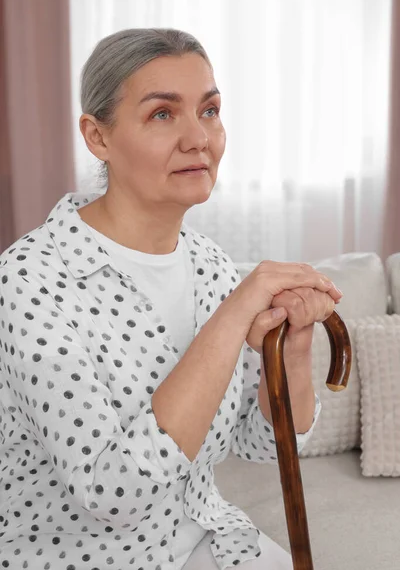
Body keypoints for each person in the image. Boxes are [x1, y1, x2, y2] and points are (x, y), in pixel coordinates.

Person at [0, 28, 342, 570]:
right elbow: (113, 493)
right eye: (163, 114)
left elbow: (262, 445)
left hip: (210, 538)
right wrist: (234, 317)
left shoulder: (209, 264)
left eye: (209, 110)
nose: (198, 138)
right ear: (98, 137)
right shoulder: (28, 281)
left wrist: (294, 348)